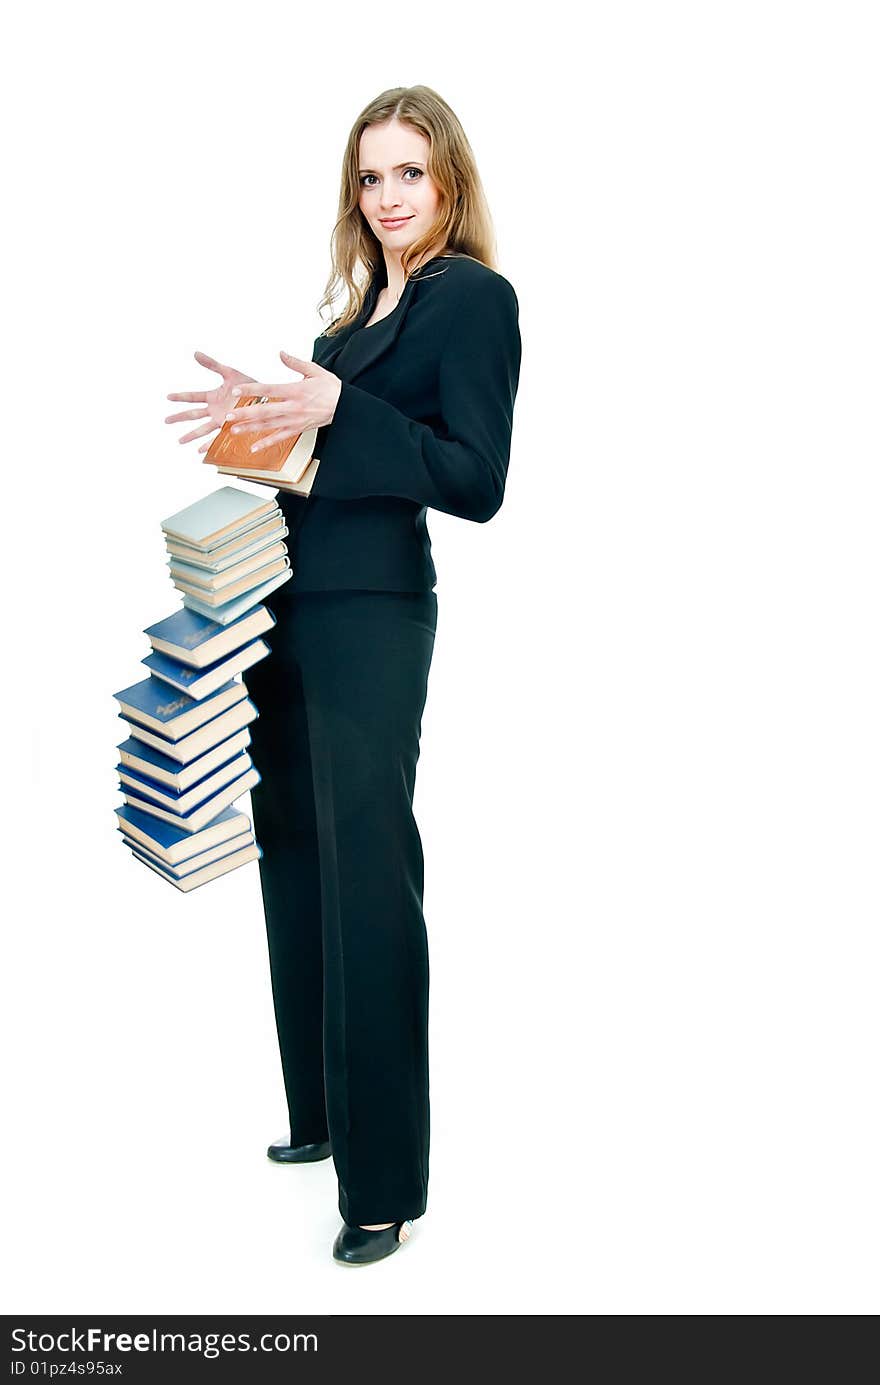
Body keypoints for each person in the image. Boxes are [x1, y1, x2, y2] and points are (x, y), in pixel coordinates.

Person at [165, 84, 522, 1266]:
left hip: (374, 615)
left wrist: (337, 406)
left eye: (408, 173)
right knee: (294, 856)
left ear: (448, 180)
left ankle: (386, 1183)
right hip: (291, 604)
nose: (386, 197)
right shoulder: (346, 319)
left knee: (368, 873)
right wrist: (262, 424)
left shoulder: (473, 298)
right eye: (370, 177)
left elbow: (473, 478)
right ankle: (320, 1116)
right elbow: (331, 462)